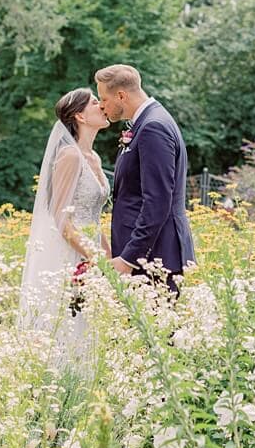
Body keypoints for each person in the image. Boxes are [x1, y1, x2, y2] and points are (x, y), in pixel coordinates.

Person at [18, 88, 111, 356]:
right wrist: (94, 258)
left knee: (87, 326)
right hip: (69, 253)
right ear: (80, 116)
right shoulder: (70, 156)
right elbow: (61, 219)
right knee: (66, 324)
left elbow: (93, 217)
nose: (102, 106)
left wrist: (110, 258)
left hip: (90, 251)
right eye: (95, 103)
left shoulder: (94, 158)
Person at [95, 63, 195, 294]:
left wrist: (129, 258)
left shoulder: (153, 127)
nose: (101, 105)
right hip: (148, 256)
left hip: (155, 257)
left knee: (156, 329)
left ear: (121, 95)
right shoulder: (147, 122)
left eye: (104, 99)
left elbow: (157, 202)